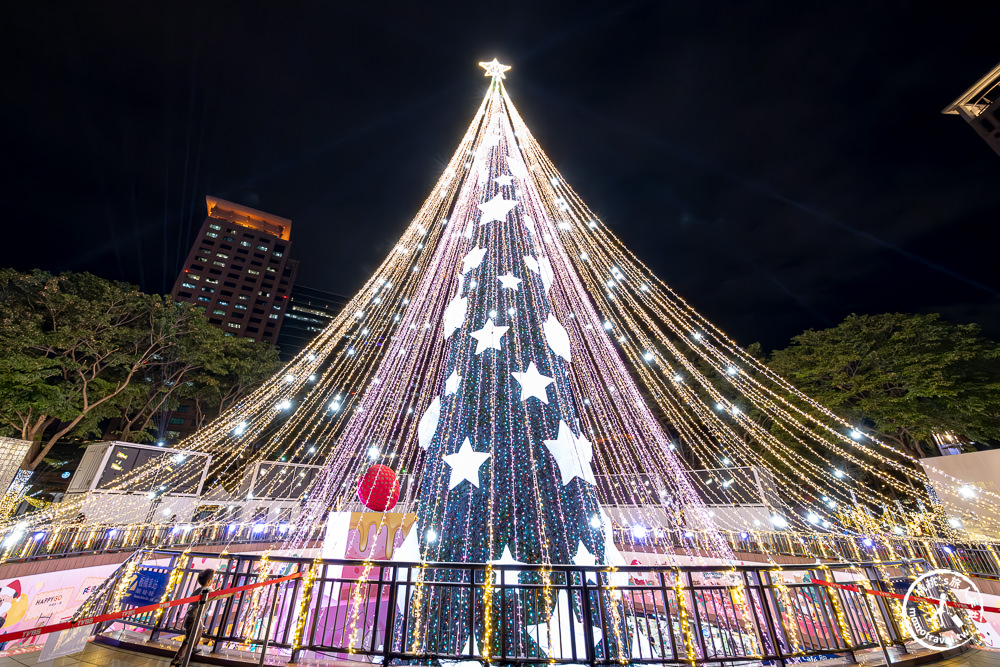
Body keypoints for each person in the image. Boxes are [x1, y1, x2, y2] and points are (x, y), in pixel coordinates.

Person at [171, 569, 215, 667]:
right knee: (189, 638)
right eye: (212, 578)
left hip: (192, 615)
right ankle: (177, 659)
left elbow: (191, 600)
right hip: (195, 617)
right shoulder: (208, 590)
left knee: (199, 630)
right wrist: (230, 593)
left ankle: (193, 647)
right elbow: (216, 596)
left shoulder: (198, 590)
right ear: (209, 581)